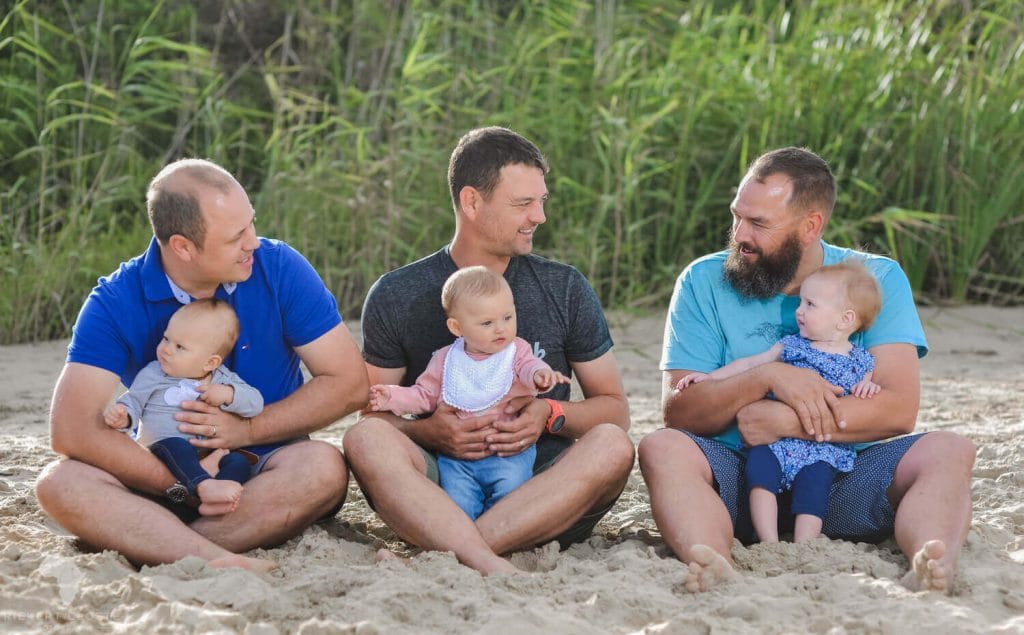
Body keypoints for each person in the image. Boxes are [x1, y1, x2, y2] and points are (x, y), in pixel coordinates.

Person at [639, 146, 975, 594]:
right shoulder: (701, 280)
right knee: (661, 447)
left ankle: (931, 565)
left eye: (758, 223)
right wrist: (766, 378)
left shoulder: (875, 280)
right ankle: (716, 565)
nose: (739, 235)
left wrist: (786, 421)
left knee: (949, 450)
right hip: (736, 481)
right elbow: (679, 412)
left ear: (810, 226)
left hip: (843, 478)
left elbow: (897, 409)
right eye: (737, 216)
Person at [35, 158, 369, 572]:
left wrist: (248, 430)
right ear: (183, 247)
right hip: (165, 472)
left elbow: (349, 383)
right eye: (236, 237)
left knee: (323, 467)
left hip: (265, 471)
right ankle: (210, 555)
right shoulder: (115, 300)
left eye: (251, 224)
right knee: (60, 483)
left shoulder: (280, 267)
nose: (253, 243)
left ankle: (161, 543)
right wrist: (186, 484)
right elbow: (72, 428)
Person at [343, 126, 634, 575]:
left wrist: (549, 414)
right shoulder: (398, 294)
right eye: (523, 203)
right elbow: (374, 414)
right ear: (472, 202)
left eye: (542, 201)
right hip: (444, 483)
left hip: (542, 488)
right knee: (363, 440)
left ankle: (450, 551)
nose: (539, 216)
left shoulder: (564, 287)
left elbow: (614, 410)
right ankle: (477, 550)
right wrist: (431, 432)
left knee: (613, 445)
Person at [676, 259, 882, 544]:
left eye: (810, 305)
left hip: (822, 449)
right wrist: (710, 378)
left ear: (845, 319)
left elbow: (866, 392)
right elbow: (750, 364)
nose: (799, 311)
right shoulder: (791, 345)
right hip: (775, 440)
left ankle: (804, 544)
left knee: (814, 486)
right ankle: (768, 539)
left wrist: (868, 385)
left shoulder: (860, 360)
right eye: (801, 302)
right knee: (759, 474)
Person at [369, 266, 571, 520]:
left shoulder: (516, 351)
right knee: (457, 502)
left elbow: (529, 367)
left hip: (509, 452)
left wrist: (541, 376)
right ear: (456, 327)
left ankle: (497, 532)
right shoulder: (446, 360)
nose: (501, 329)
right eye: (487, 323)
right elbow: (424, 395)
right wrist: (391, 397)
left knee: (510, 494)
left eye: (507, 317)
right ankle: (467, 533)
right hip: (457, 457)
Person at [104, 299, 264, 516]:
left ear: (210, 363)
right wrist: (124, 417)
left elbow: (255, 403)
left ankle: (215, 498)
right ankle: (202, 485)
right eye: (166, 339)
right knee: (177, 446)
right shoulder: (153, 373)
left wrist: (229, 393)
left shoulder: (223, 379)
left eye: (179, 347)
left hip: (206, 456)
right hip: (162, 455)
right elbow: (134, 400)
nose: (166, 350)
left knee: (238, 462)